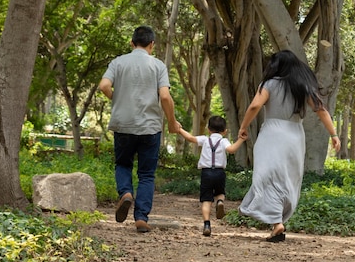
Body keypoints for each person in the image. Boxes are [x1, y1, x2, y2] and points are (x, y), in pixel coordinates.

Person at [238, 50, 341, 242]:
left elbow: (254, 106)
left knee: (266, 175)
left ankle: (276, 222)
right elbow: (321, 110)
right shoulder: (302, 86)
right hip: (294, 135)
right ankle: (277, 223)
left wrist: (243, 127)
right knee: (287, 178)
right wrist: (333, 134)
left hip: (272, 133)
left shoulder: (268, 84)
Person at [99, 25, 181, 233]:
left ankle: (126, 193)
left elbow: (104, 86)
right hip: (150, 128)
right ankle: (141, 218)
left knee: (123, 164)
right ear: (152, 44)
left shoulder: (118, 63)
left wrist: (116, 99)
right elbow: (164, 96)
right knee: (146, 174)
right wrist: (171, 122)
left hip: (123, 124)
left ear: (131, 43)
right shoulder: (158, 66)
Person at [178, 115, 246, 236]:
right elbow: (231, 150)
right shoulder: (224, 141)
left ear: (208, 129)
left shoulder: (205, 139)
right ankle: (220, 201)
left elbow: (190, 138)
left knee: (206, 200)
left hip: (206, 173)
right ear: (225, 131)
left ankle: (207, 224)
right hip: (220, 172)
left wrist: (179, 129)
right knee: (220, 193)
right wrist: (241, 139)